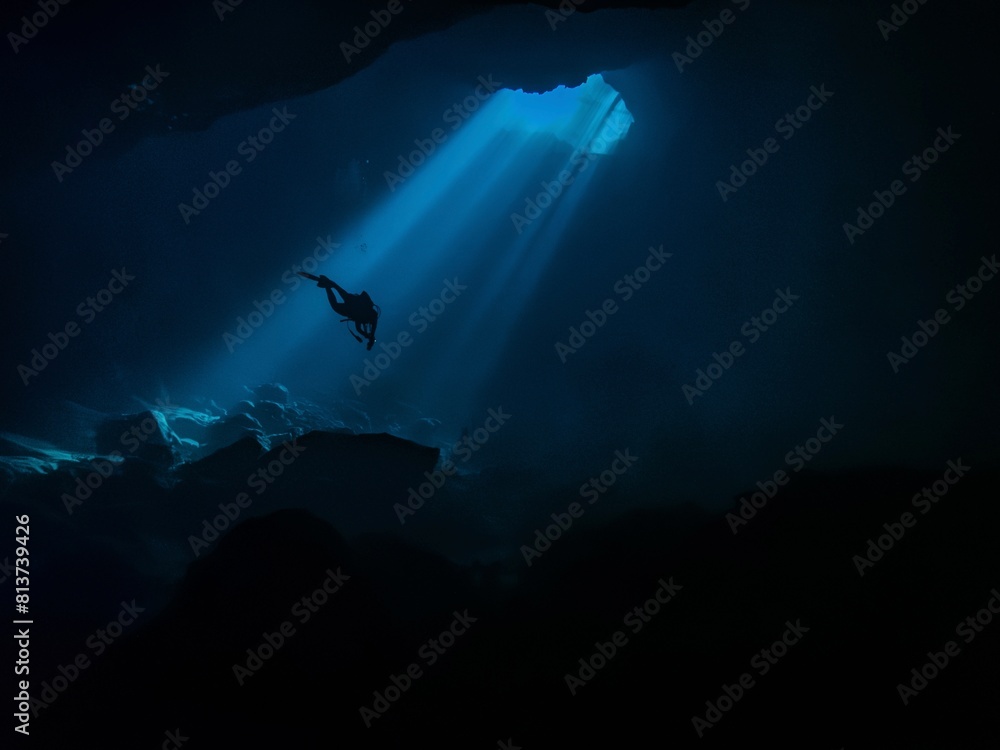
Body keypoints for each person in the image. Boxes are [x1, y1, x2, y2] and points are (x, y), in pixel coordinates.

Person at [299, 272, 379, 350]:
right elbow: (362, 328)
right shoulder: (370, 317)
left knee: (338, 293)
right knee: (337, 299)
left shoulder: (363, 318)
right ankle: (327, 285)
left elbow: (359, 328)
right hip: (353, 304)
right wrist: (369, 337)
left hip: (352, 303)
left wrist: (368, 336)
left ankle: (327, 284)